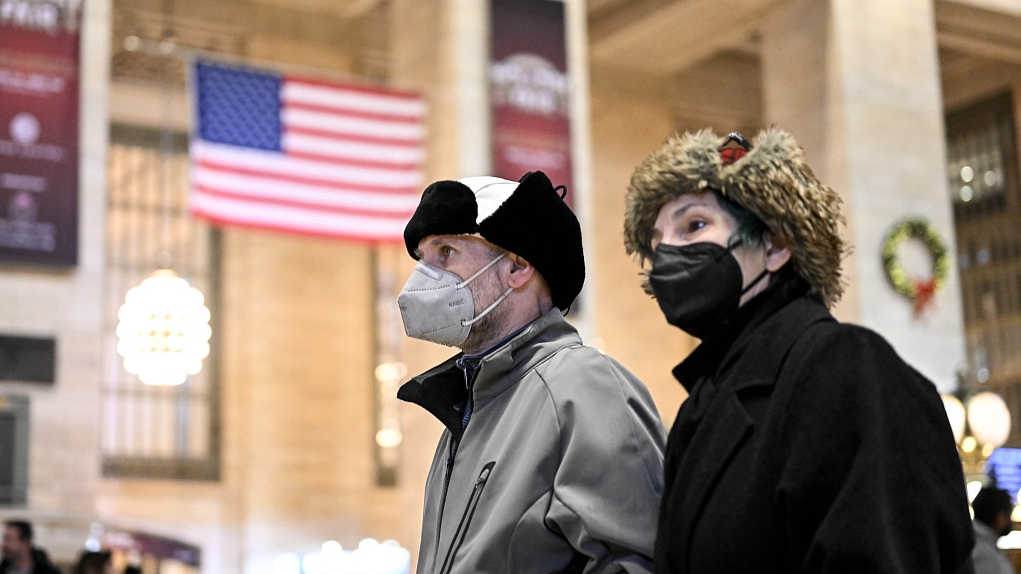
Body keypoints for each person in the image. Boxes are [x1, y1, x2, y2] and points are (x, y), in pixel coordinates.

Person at [622, 127, 976, 573]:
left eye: (694, 225)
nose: (667, 254)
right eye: (657, 243)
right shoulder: (701, 410)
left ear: (775, 245)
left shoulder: (848, 368)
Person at [396, 170, 666, 573]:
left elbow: (637, 561)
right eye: (423, 259)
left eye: (445, 252)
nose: (422, 277)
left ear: (518, 267)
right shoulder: (471, 409)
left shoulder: (582, 386)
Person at [972, 486, 1016, 574]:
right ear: (1000, 517)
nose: (1011, 522)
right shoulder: (986, 556)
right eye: (1009, 515)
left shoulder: (970, 541)